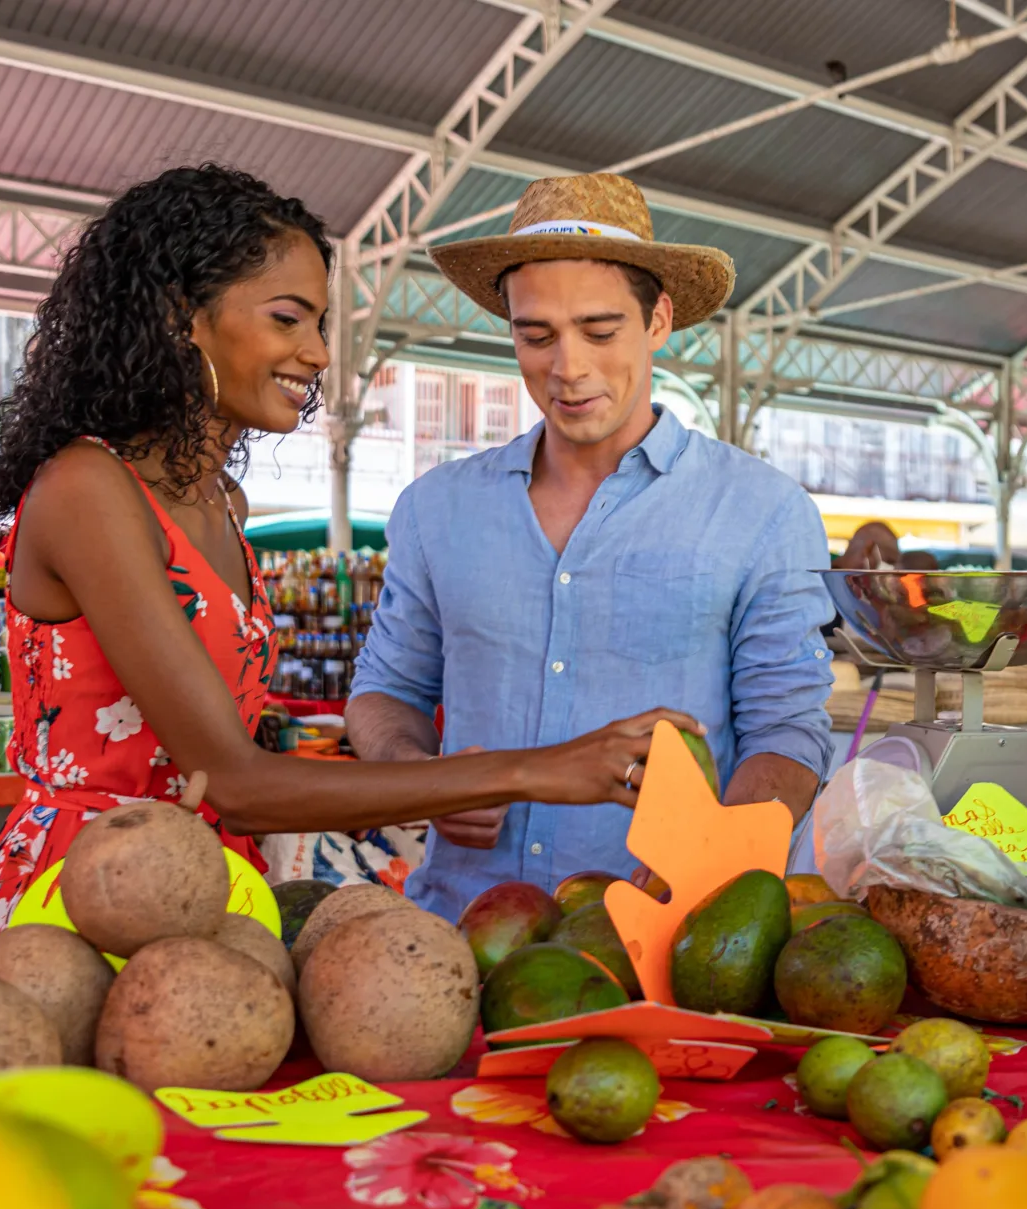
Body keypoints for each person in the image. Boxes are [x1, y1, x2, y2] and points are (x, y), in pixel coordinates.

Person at [0, 165, 697, 938]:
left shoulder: (221, 502)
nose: (315, 353)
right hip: (83, 900)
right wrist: (538, 767)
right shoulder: (88, 488)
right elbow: (234, 780)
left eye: (318, 325)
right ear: (183, 316)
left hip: (206, 891)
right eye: (288, 319)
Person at [347, 172, 835, 920]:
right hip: (457, 932)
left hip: (661, 944)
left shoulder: (760, 511)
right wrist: (421, 775)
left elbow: (787, 732)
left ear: (659, 319)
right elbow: (386, 689)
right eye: (535, 335)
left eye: (600, 331)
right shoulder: (436, 510)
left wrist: (714, 864)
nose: (567, 367)